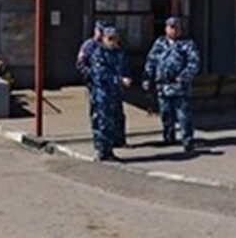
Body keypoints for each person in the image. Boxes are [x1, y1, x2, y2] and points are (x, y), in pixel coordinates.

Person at [142, 16, 201, 152]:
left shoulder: (187, 44)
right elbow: (151, 62)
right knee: (166, 113)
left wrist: (183, 77)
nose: (173, 30)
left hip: (179, 86)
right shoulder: (159, 43)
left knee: (183, 115)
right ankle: (169, 138)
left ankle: (187, 140)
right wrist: (147, 79)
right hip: (162, 86)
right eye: (170, 27)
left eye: (176, 28)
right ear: (166, 29)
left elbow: (194, 63)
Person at [78, 20, 125, 146]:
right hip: (98, 86)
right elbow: (81, 64)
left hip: (113, 88)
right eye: (100, 30)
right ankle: (101, 144)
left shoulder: (115, 49)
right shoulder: (90, 46)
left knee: (116, 114)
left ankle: (117, 140)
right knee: (100, 116)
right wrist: (92, 76)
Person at [88, 26, 132, 161]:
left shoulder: (119, 53)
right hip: (102, 95)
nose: (113, 42)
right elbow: (101, 75)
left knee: (113, 123)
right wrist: (120, 80)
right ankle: (102, 151)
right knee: (102, 123)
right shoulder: (98, 53)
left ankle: (109, 151)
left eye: (115, 38)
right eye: (110, 39)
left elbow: (125, 68)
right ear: (103, 39)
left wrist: (127, 77)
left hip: (115, 94)